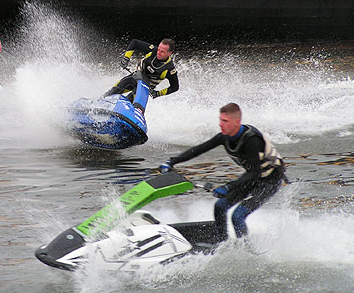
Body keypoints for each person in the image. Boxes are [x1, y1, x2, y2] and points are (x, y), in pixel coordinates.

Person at [159, 103, 288, 243]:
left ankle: (246, 251)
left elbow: (256, 173)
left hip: (271, 181)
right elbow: (199, 149)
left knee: (237, 217)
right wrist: (171, 162)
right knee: (220, 206)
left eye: (225, 121)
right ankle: (222, 243)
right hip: (252, 178)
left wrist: (229, 187)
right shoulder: (224, 137)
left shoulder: (252, 140)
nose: (221, 124)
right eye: (220, 120)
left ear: (237, 122)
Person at [104, 38, 179, 104]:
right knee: (110, 93)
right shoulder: (153, 50)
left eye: (162, 51)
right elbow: (135, 42)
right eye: (159, 49)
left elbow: (175, 87)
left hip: (144, 88)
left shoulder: (170, 69)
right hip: (135, 77)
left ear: (169, 53)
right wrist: (126, 58)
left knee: (127, 102)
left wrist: (158, 93)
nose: (158, 53)